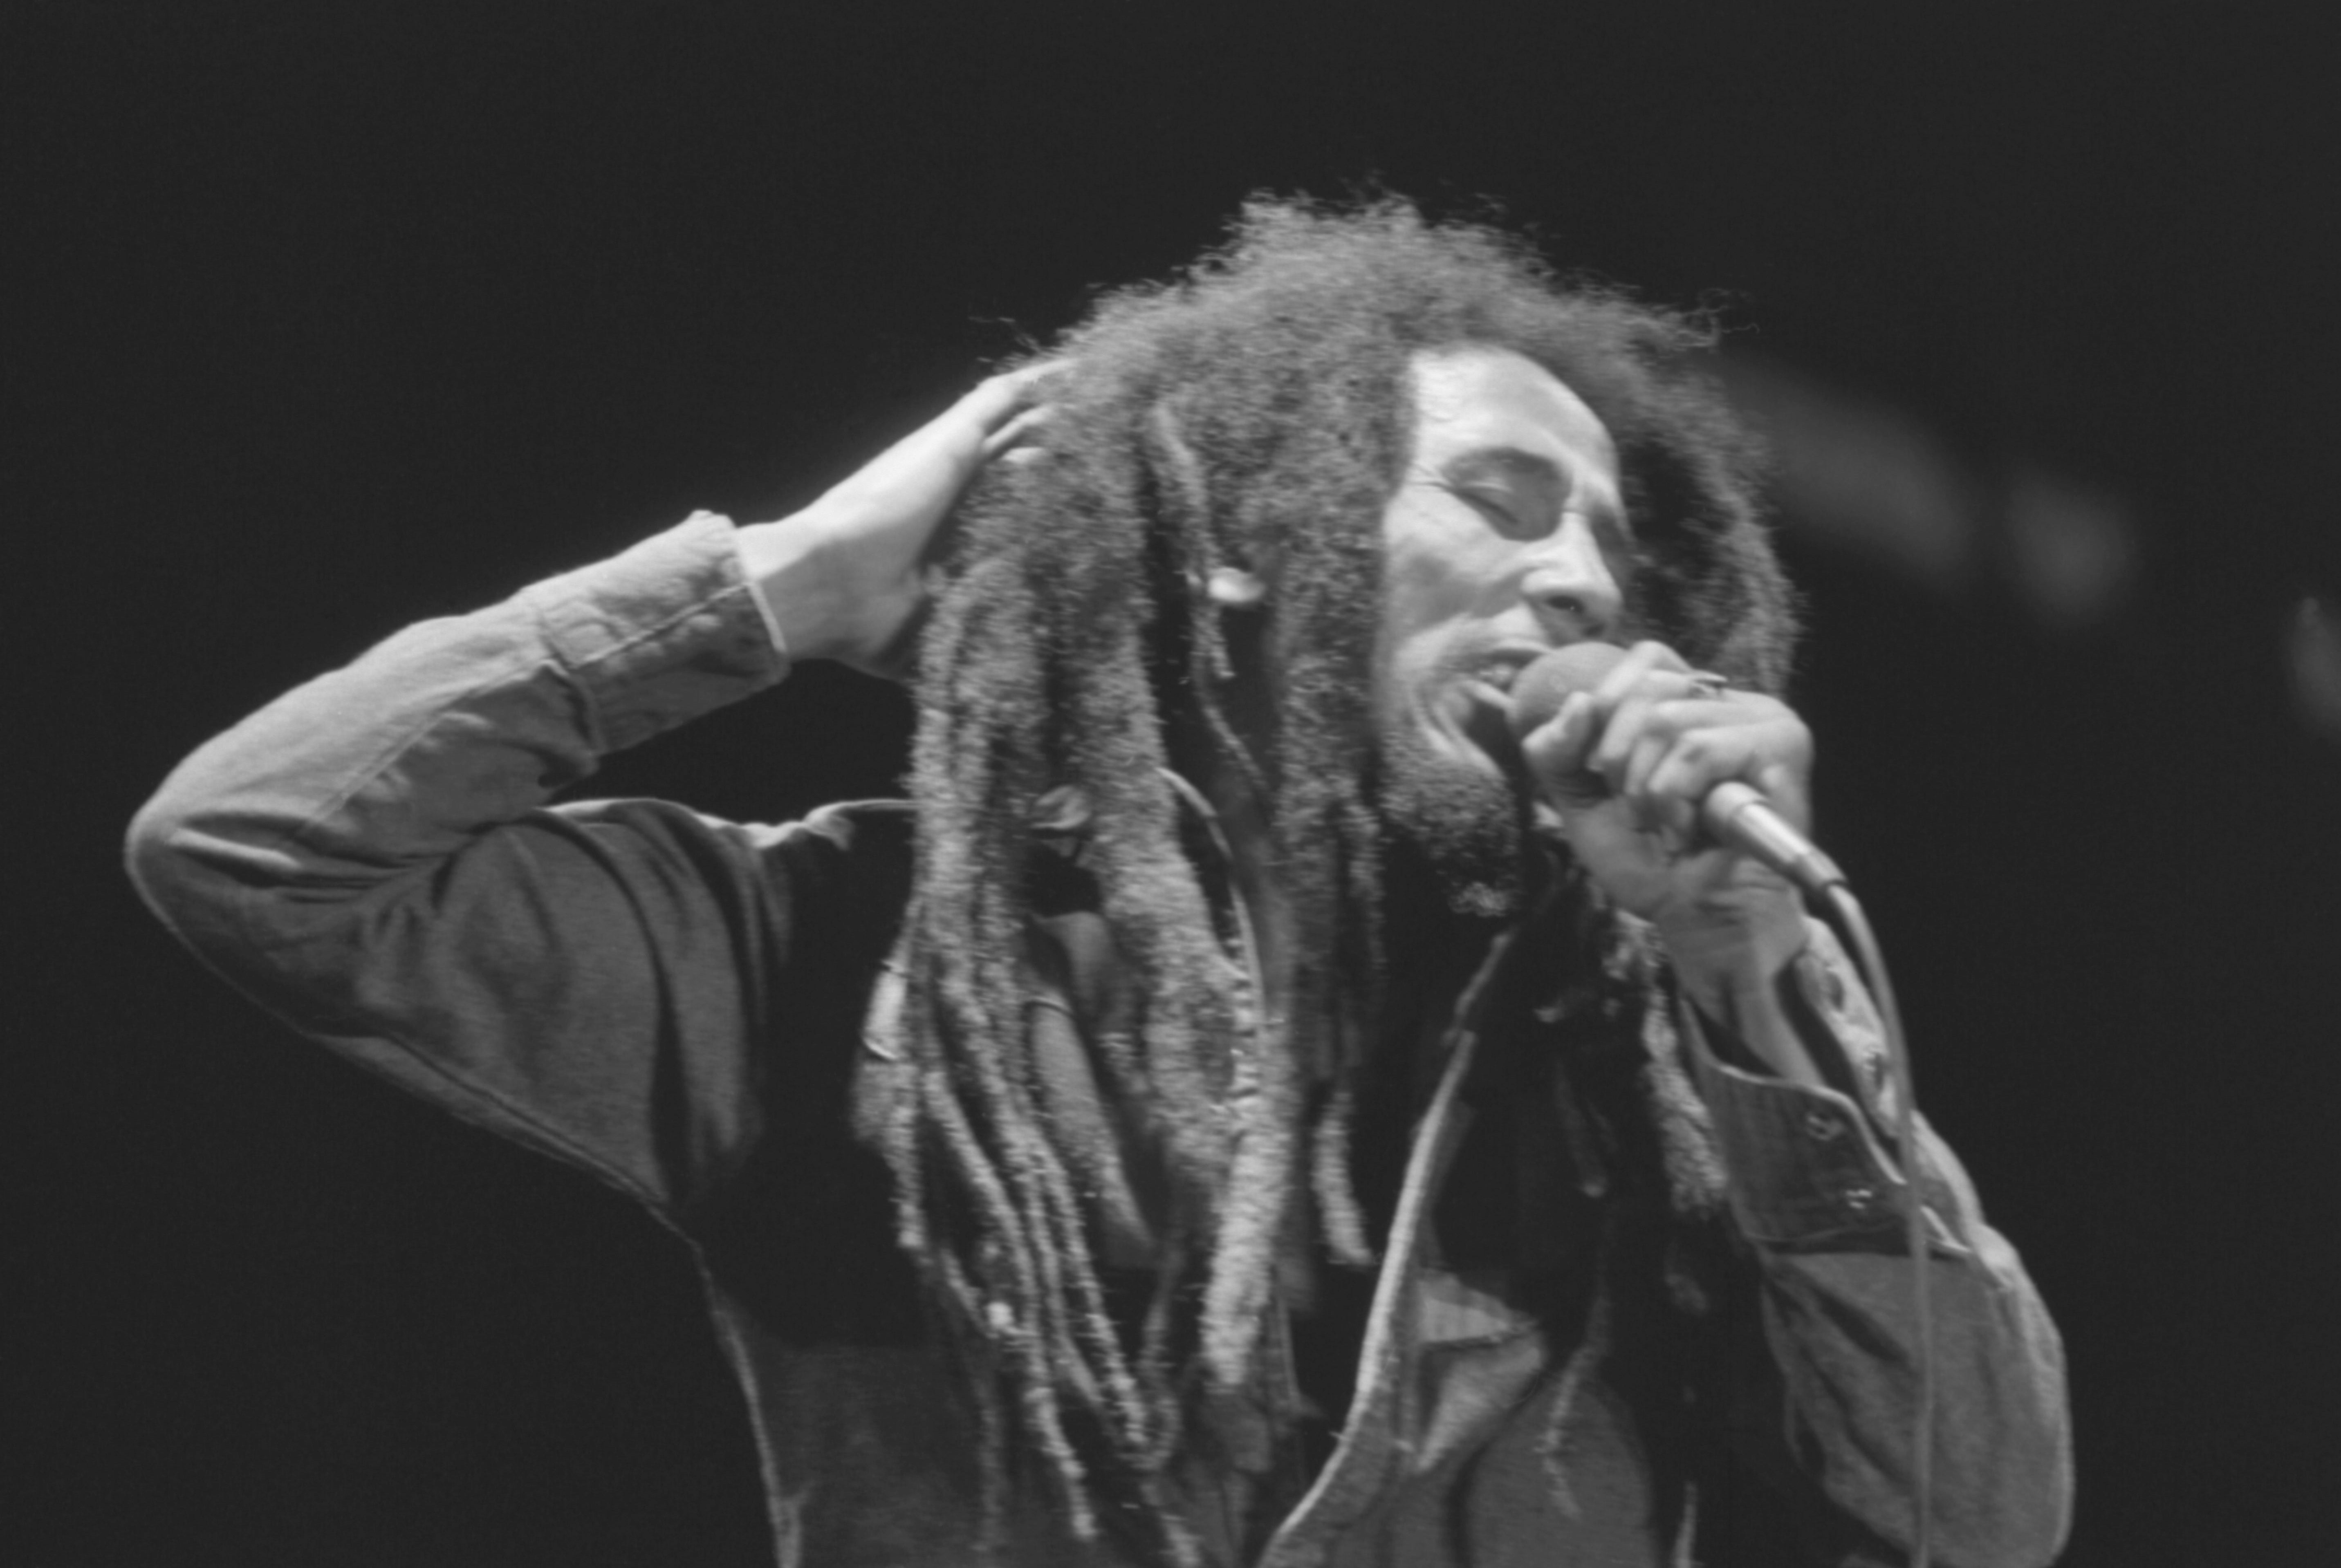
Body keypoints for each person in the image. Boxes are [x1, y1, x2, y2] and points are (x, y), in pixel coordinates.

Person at [128, 199, 2071, 1568]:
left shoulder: (1672, 1036)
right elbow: (261, 848)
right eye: (1499, 501)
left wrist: (1750, 973)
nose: (1586, 586)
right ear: (1240, 541)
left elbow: (1962, 1522)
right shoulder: (842, 957)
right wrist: (778, 586)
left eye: (1621, 556)